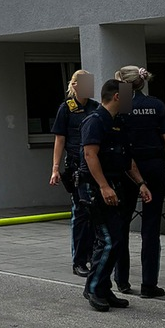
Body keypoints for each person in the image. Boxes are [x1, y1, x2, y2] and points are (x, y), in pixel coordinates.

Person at [77, 80, 152, 312]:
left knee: (116, 239)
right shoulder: (95, 121)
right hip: (95, 186)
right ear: (117, 97)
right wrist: (103, 186)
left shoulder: (118, 122)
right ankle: (95, 289)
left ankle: (102, 288)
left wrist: (141, 183)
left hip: (114, 183)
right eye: (128, 96)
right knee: (109, 239)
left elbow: (127, 159)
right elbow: (90, 155)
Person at [116, 65, 165, 299]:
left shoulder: (121, 106)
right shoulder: (156, 105)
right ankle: (149, 284)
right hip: (154, 167)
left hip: (127, 169)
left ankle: (121, 280)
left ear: (123, 84)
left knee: (121, 224)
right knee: (151, 227)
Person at [50, 70, 100, 278]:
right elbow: (59, 140)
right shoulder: (67, 108)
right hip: (76, 165)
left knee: (94, 214)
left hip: (94, 163)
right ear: (75, 85)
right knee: (80, 213)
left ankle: (93, 256)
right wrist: (55, 168)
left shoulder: (95, 107)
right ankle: (79, 261)